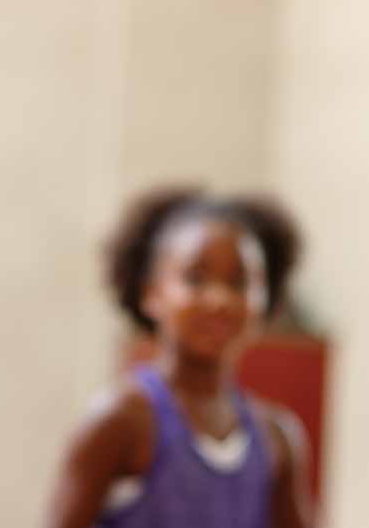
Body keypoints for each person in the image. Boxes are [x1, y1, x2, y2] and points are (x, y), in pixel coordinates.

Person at [45, 188, 313, 528]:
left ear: (266, 300)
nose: (219, 299)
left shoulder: (278, 439)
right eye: (196, 279)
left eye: (239, 282)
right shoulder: (121, 421)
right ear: (151, 294)